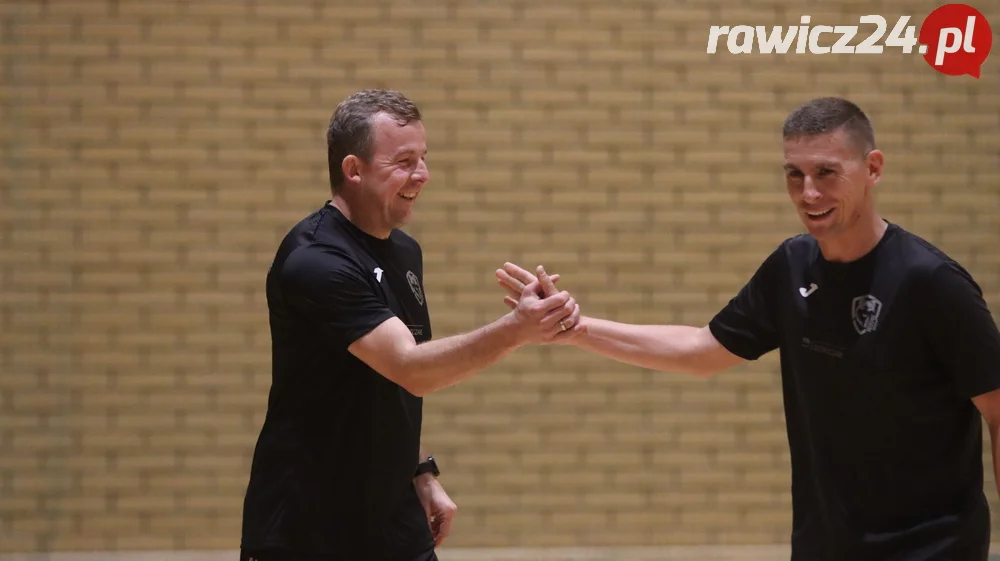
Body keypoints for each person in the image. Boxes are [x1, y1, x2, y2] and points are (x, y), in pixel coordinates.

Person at [496, 97, 1000, 561]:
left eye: (827, 173)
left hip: (932, 548)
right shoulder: (792, 265)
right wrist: (576, 327)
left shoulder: (931, 282)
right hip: (824, 547)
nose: (808, 193)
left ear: (873, 169)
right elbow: (703, 350)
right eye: (793, 175)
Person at [239, 89, 580, 561]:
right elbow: (411, 368)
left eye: (423, 158)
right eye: (403, 161)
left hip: (392, 524)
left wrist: (419, 472)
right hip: (308, 529)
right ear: (353, 169)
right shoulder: (316, 261)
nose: (421, 174)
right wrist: (517, 329)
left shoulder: (404, 252)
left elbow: (388, 386)